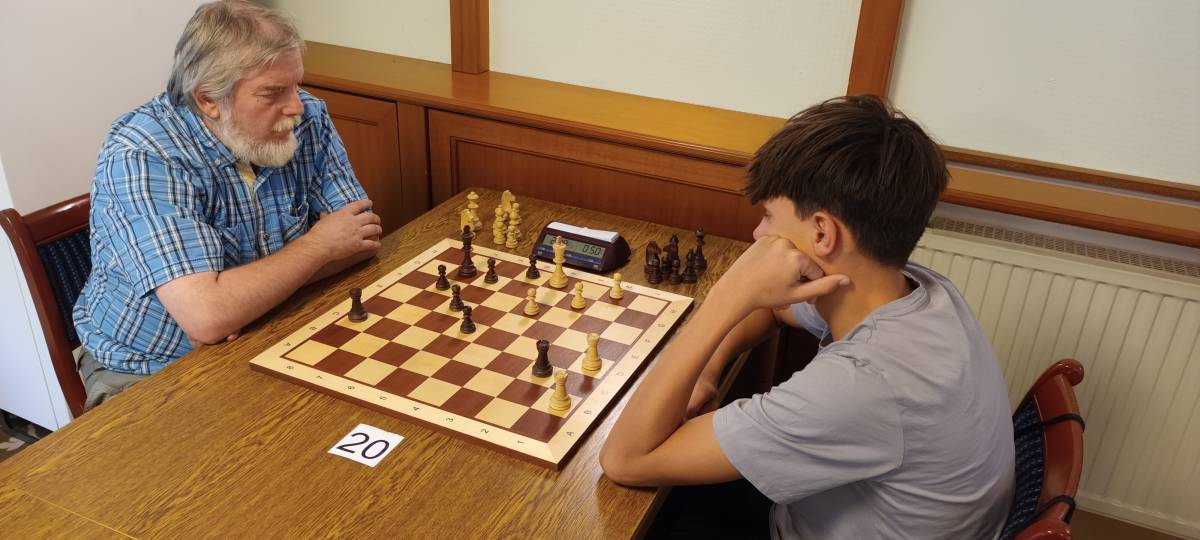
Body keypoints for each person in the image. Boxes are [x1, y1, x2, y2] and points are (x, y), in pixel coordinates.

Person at [601, 95, 1015, 539]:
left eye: (768, 217)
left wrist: (726, 297)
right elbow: (779, 306)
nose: (758, 234)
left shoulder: (859, 386)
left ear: (821, 232)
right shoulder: (918, 290)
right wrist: (709, 367)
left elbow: (625, 459)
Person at [73, 1, 381, 410]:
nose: (296, 106)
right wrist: (318, 246)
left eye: (295, 84)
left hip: (270, 329)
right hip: (149, 370)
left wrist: (242, 303)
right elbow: (208, 317)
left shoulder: (307, 118)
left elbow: (361, 239)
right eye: (272, 92)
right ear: (208, 100)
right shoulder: (144, 154)